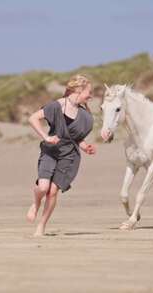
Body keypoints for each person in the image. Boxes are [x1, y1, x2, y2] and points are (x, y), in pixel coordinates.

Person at [26, 74, 97, 237]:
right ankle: (36, 204)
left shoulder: (84, 116)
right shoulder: (57, 106)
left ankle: (41, 225)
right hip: (50, 151)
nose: (90, 96)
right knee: (43, 187)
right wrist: (46, 137)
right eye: (89, 92)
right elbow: (33, 118)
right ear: (78, 90)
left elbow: (77, 139)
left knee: (52, 191)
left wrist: (86, 147)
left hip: (69, 156)